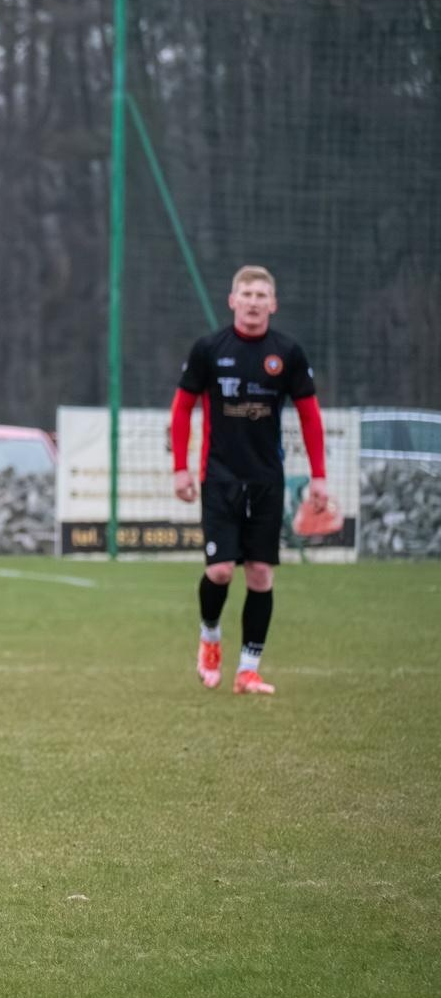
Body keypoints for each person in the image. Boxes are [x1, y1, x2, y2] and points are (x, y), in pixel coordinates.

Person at [171, 264, 327, 696]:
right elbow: (182, 408)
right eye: (247, 294)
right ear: (232, 301)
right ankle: (210, 637)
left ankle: (248, 671)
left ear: (273, 304)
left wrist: (319, 477)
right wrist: (180, 468)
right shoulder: (208, 349)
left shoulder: (287, 354)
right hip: (219, 477)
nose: (254, 302)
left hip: (266, 480)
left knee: (259, 574)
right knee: (220, 571)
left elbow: (310, 417)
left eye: (262, 295)